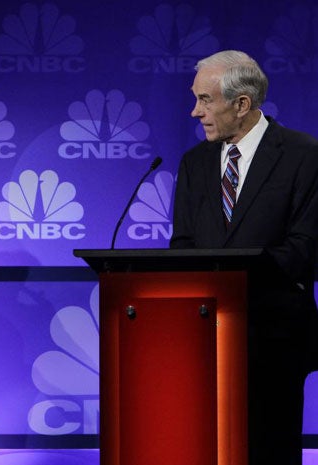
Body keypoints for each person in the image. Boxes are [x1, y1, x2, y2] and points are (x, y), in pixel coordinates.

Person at [170, 49, 318, 464]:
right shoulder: (194, 163)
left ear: (242, 104)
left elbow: (304, 247)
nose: (195, 112)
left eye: (205, 100)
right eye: (195, 98)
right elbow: (182, 244)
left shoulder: (304, 155)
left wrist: (234, 282)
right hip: (205, 336)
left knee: (270, 448)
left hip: (274, 337)